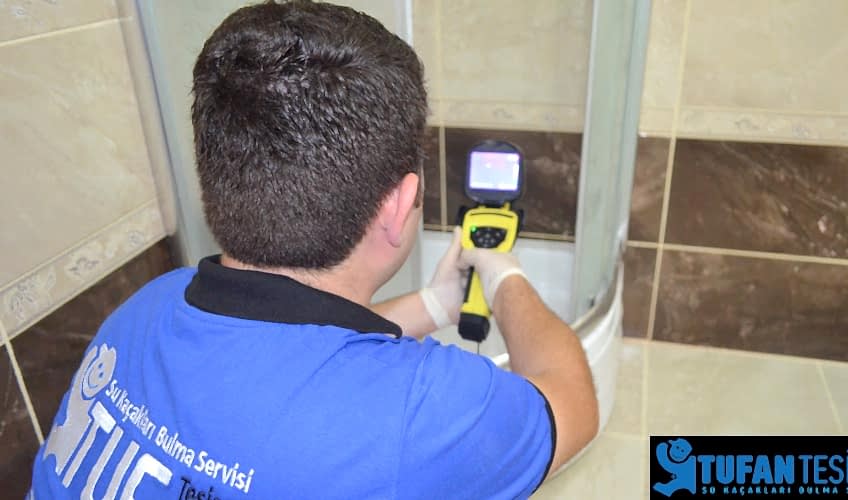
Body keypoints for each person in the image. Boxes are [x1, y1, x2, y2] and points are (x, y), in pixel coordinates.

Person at [29, 1, 598, 498]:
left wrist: (435, 305)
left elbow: (297, 358)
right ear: (399, 206)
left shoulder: (147, 311)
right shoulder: (416, 417)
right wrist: (504, 278)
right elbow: (571, 401)